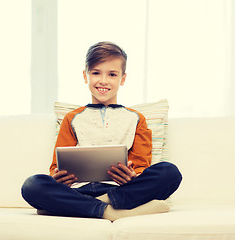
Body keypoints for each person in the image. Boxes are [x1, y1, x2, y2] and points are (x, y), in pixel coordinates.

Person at [21, 41, 182, 221]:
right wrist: (59, 177)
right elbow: (55, 167)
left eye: (112, 74)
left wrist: (132, 176)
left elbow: (141, 167)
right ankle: (109, 211)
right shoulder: (71, 118)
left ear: (122, 78)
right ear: (85, 75)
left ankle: (82, 207)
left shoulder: (137, 118)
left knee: (170, 173)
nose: (103, 81)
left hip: (119, 190)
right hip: (78, 190)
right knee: (32, 185)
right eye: (96, 73)